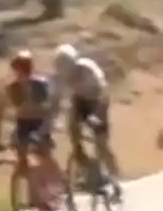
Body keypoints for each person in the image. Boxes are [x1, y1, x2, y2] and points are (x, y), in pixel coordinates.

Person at [0, 50, 64, 206]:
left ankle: (59, 184)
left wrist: (45, 129)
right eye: (18, 71)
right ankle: (36, 196)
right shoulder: (11, 89)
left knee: (44, 155)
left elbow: (50, 108)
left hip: (40, 122)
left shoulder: (41, 85)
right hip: (23, 123)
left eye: (22, 71)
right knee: (22, 156)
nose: (20, 75)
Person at [48, 44, 121, 196]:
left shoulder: (87, 68)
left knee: (101, 143)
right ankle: (86, 167)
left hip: (98, 99)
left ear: (74, 62)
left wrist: (97, 115)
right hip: (80, 100)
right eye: (62, 69)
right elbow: (56, 101)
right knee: (72, 128)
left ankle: (115, 179)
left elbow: (103, 91)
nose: (67, 73)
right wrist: (51, 122)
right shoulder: (61, 77)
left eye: (67, 67)